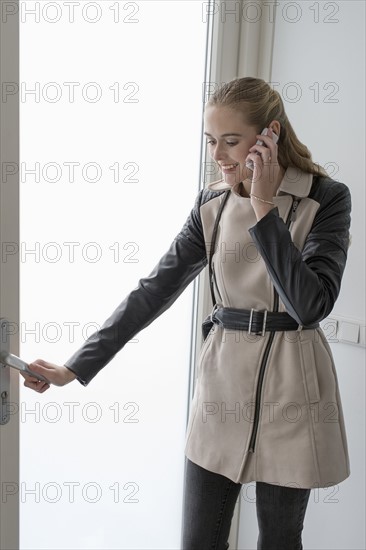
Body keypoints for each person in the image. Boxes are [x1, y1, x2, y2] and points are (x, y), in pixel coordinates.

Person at [23, 77, 352, 550]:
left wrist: (263, 210)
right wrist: (74, 367)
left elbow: (311, 303)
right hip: (222, 387)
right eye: (211, 141)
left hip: (294, 387)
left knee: (279, 540)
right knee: (200, 540)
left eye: (231, 141)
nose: (218, 155)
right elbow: (154, 290)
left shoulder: (327, 197)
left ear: (269, 135)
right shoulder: (211, 203)